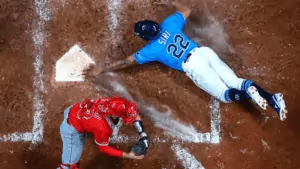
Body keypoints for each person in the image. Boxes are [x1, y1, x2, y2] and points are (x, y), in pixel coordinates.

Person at [84, 1, 287, 121]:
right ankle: (271, 98)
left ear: (146, 37)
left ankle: (248, 94)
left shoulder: (152, 49)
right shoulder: (169, 24)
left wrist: (102, 69)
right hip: (204, 53)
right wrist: (171, 3)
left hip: (194, 66)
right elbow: (186, 10)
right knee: (237, 81)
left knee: (226, 95)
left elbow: (127, 62)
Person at [57, 97, 149, 169]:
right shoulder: (103, 128)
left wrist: (143, 135)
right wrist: (128, 155)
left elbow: (131, 112)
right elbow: (103, 148)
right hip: (71, 129)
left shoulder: (113, 103)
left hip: (74, 110)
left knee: (103, 125)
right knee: (69, 166)